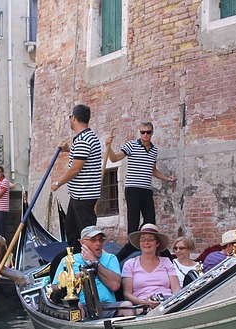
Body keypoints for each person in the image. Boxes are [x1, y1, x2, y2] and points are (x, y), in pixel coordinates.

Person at [106, 122, 176, 261]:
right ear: (140, 132)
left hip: (146, 190)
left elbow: (153, 170)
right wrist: (108, 146)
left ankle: (152, 248)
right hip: (132, 189)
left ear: (152, 133)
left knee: (150, 222)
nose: (145, 135)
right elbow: (114, 159)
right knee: (134, 224)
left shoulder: (154, 150)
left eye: (148, 132)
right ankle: (128, 251)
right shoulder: (131, 145)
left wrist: (166, 178)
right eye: (143, 132)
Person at [51, 225, 132, 318]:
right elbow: (54, 287)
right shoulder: (68, 260)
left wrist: (95, 262)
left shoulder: (110, 258)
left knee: (128, 306)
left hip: (107, 306)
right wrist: (72, 282)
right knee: (76, 308)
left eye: (101, 240)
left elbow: (115, 285)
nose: (98, 243)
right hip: (80, 305)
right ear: (82, 243)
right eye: (93, 240)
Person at [51, 104, 102, 250]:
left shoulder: (83, 140)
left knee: (88, 235)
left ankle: (91, 263)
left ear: (73, 118)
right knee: (72, 232)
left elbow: (75, 169)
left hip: (84, 196)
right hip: (78, 195)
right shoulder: (85, 138)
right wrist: (68, 149)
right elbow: (81, 157)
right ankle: (75, 260)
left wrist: (58, 183)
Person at [122, 224, 181, 310]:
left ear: (157, 243)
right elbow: (127, 294)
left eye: (150, 239)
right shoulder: (130, 264)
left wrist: (171, 303)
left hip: (167, 304)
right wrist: (145, 303)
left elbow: (176, 289)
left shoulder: (166, 262)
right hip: (142, 307)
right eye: (143, 239)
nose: (146, 242)